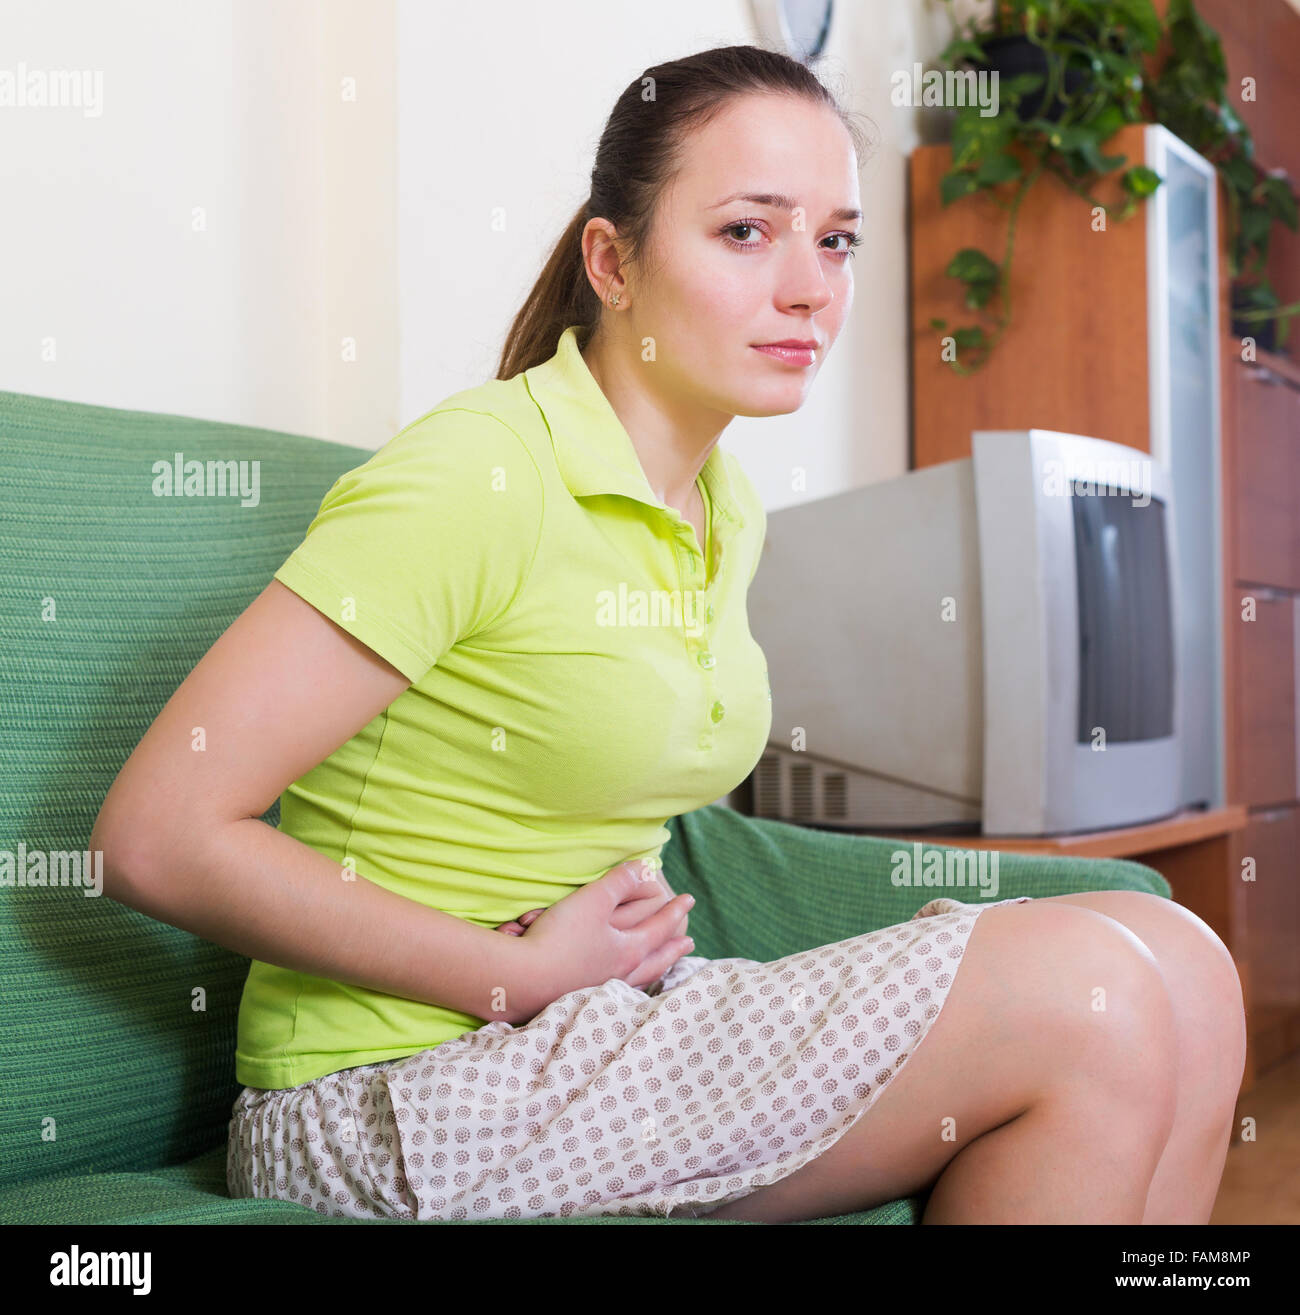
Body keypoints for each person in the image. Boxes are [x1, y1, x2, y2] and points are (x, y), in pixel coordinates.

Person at [91, 43, 1245, 1225]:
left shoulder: (721, 505)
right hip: (390, 1098)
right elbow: (154, 835)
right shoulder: (479, 470)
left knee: (1186, 964)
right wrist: (520, 972)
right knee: (1095, 990)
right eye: (748, 231)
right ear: (614, 261)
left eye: (835, 239)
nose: (809, 287)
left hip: (591, 1036)